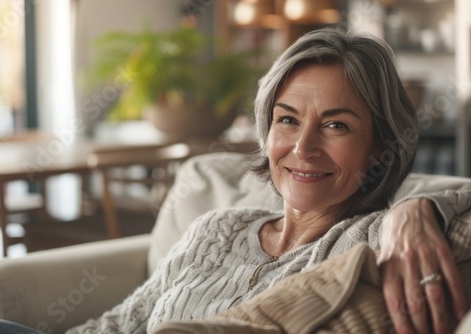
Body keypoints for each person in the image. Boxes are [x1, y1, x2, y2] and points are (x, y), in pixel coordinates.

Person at [67, 28, 470, 334]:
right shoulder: (215, 228)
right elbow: (122, 322)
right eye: (288, 120)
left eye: (336, 125)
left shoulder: (374, 241)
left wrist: (421, 209)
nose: (303, 148)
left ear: (382, 147)